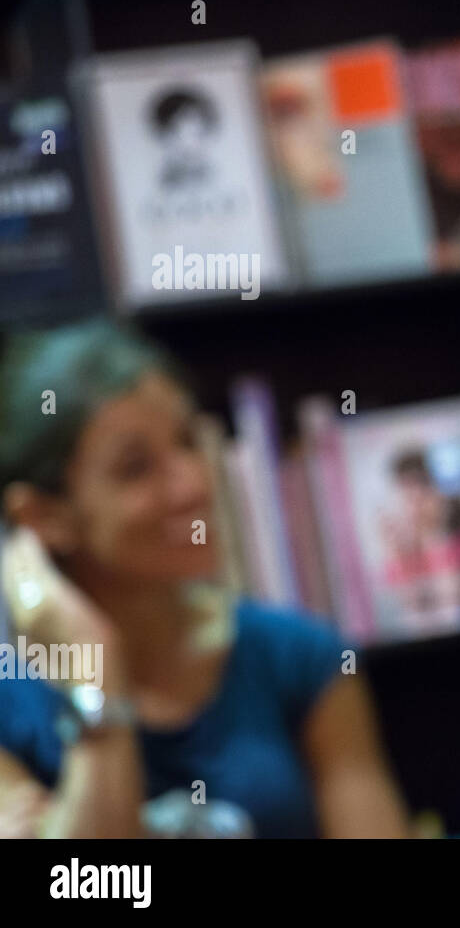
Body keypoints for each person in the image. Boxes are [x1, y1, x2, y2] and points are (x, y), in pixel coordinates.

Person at [0, 320, 409, 837]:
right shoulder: (9, 704)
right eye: (136, 468)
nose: (193, 483)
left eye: (188, 441)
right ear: (44, 518)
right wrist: (95, 679)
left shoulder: (301, 655)